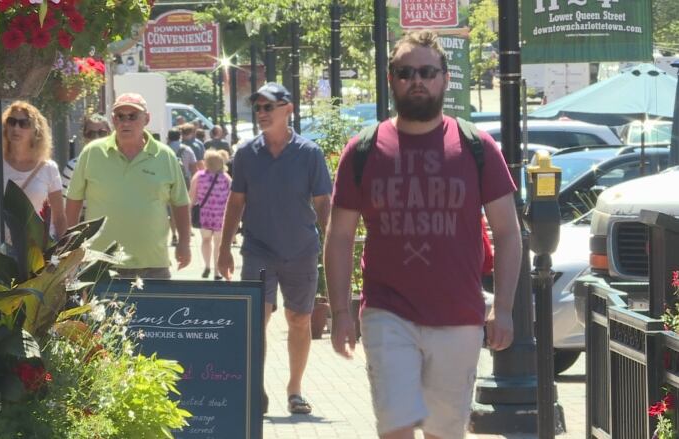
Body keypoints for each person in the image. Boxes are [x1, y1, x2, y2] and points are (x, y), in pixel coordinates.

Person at [323, 30, 521, 439]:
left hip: (460, 317)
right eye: (405, 71)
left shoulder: (477, 147)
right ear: (391, 79)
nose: (417, 80)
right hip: (386, 313)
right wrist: (341, 312)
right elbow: (339, 236)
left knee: (443, 432)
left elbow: (507, 232)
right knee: (395, 426)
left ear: (445, 78)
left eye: (428, 71)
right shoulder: (363, 149)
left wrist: (502, 308)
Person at [217, 82, 332, 415]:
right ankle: (255, 387)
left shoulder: (309, 153)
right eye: (259, 108)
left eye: (269, 107)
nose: (263, 113)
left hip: (300, 250)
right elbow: (236, 202)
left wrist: (332, 245)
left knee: (299, 319)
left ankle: (295, 390)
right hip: (259, 250)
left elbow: (323, 203)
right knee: (257, 318)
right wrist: (224, 248)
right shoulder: (245, 154)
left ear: (288, 109)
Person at [66, 93, 191, 279]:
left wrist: (184, 243)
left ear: (146, 119)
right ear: (113, 120)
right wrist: (73, 245)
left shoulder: (165, 156)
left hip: (152, 265)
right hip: (98, 265)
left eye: (133, 116)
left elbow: (180, 203)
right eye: (120, 116)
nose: (125, 122)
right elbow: (73, 200)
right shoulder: (91, 153)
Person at [1, 101, 67, 238]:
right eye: (11, 122)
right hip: (3, 250)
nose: (16, 128)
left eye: (24, 123)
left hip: (38, 252)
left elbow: (59, 217)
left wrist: (62, 253)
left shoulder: (48, 169)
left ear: (35, 131)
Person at [189, 150, 231, 280]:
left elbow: (192, 196)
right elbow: (232, 198)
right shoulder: (226, 178)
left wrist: (188, 213)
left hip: (205, 214)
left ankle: (207, 266)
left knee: (205, 240)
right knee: (218, 243)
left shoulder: (199, 176)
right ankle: (216, 272)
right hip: (220, 215)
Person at [61, 113, 111, 197]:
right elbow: (65, 203)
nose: (97, 138)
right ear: (84, 136)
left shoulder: (120, 164)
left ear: (110, 135)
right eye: (91, 134)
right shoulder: (73, 167)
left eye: (102, 133)